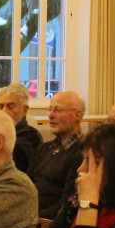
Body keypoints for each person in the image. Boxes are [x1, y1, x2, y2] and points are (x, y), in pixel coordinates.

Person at [28, 91, 85, 219]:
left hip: (46, 222)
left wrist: (32, 220)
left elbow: (67, 204)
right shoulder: (43, 149)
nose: (51, 115)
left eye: (58, 110)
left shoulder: (82, 153)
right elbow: (26, 187)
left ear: (77, 115)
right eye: (50, 109)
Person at [0, 82, 42, 172]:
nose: (4, 111)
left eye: (11, 106)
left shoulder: (31, 137)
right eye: (0, 106)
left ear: (24, 110)